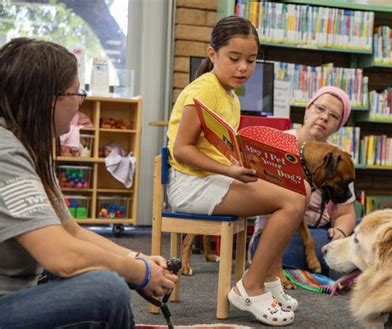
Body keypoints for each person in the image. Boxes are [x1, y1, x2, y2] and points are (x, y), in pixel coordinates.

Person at [0, 38, 177, 329]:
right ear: (49, 98)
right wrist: (138, 273)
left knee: (95, 271)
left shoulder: (28, 145)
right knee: (106, 290)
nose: (80, 100)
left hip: (20, 289)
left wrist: (138, 258)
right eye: (76, 91)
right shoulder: (6, 153)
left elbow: (71, 232)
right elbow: (61, 256)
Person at [166, 16, 311, 326]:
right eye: (234, 58)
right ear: (212, 54)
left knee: (300, 188)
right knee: (292, 200)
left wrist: (246, 164)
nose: (243, 67)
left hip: (213, 178)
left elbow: (219, 146)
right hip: (191, 185)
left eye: (251, 60)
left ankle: (268, 278)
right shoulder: (204, 90)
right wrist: (229, 171)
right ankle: (250, 286)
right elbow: (182, 150)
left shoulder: (228, 95)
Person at [249, 86, 357, 277]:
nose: (324, 117)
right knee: (326, 245)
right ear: (308, 109)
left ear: (339, 125)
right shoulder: (279, 145)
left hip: (323, 231)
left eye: (333, 116)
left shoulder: (340, 159)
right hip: (279, 233)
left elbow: (346, 212)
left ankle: (336, 260)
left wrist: (340, 232)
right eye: (320, 109)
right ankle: (339, 265)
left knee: (374, 229)